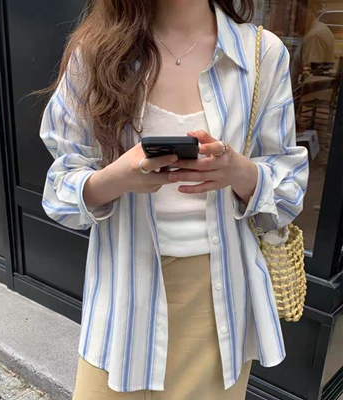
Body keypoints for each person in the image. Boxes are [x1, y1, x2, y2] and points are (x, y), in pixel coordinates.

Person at [39, 1, 309, 399]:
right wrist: (117, 178)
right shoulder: (95, 52)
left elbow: (289, 185)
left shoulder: (262, 54)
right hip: (123, 295)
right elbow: (60, 188)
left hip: (220, 302)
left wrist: (239, 171)